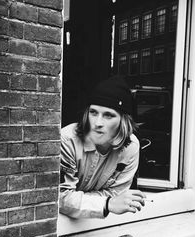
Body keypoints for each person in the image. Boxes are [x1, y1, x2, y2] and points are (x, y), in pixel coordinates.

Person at [59, 75, 146, 218]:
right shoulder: (68, 141)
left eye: (108, 115)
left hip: (95, 225)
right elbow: (60, 197)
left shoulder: (131, 146)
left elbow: (116, 193)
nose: (97, 122)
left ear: (123, 122)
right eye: (93, 112)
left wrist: (80, 201)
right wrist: (106, 204)